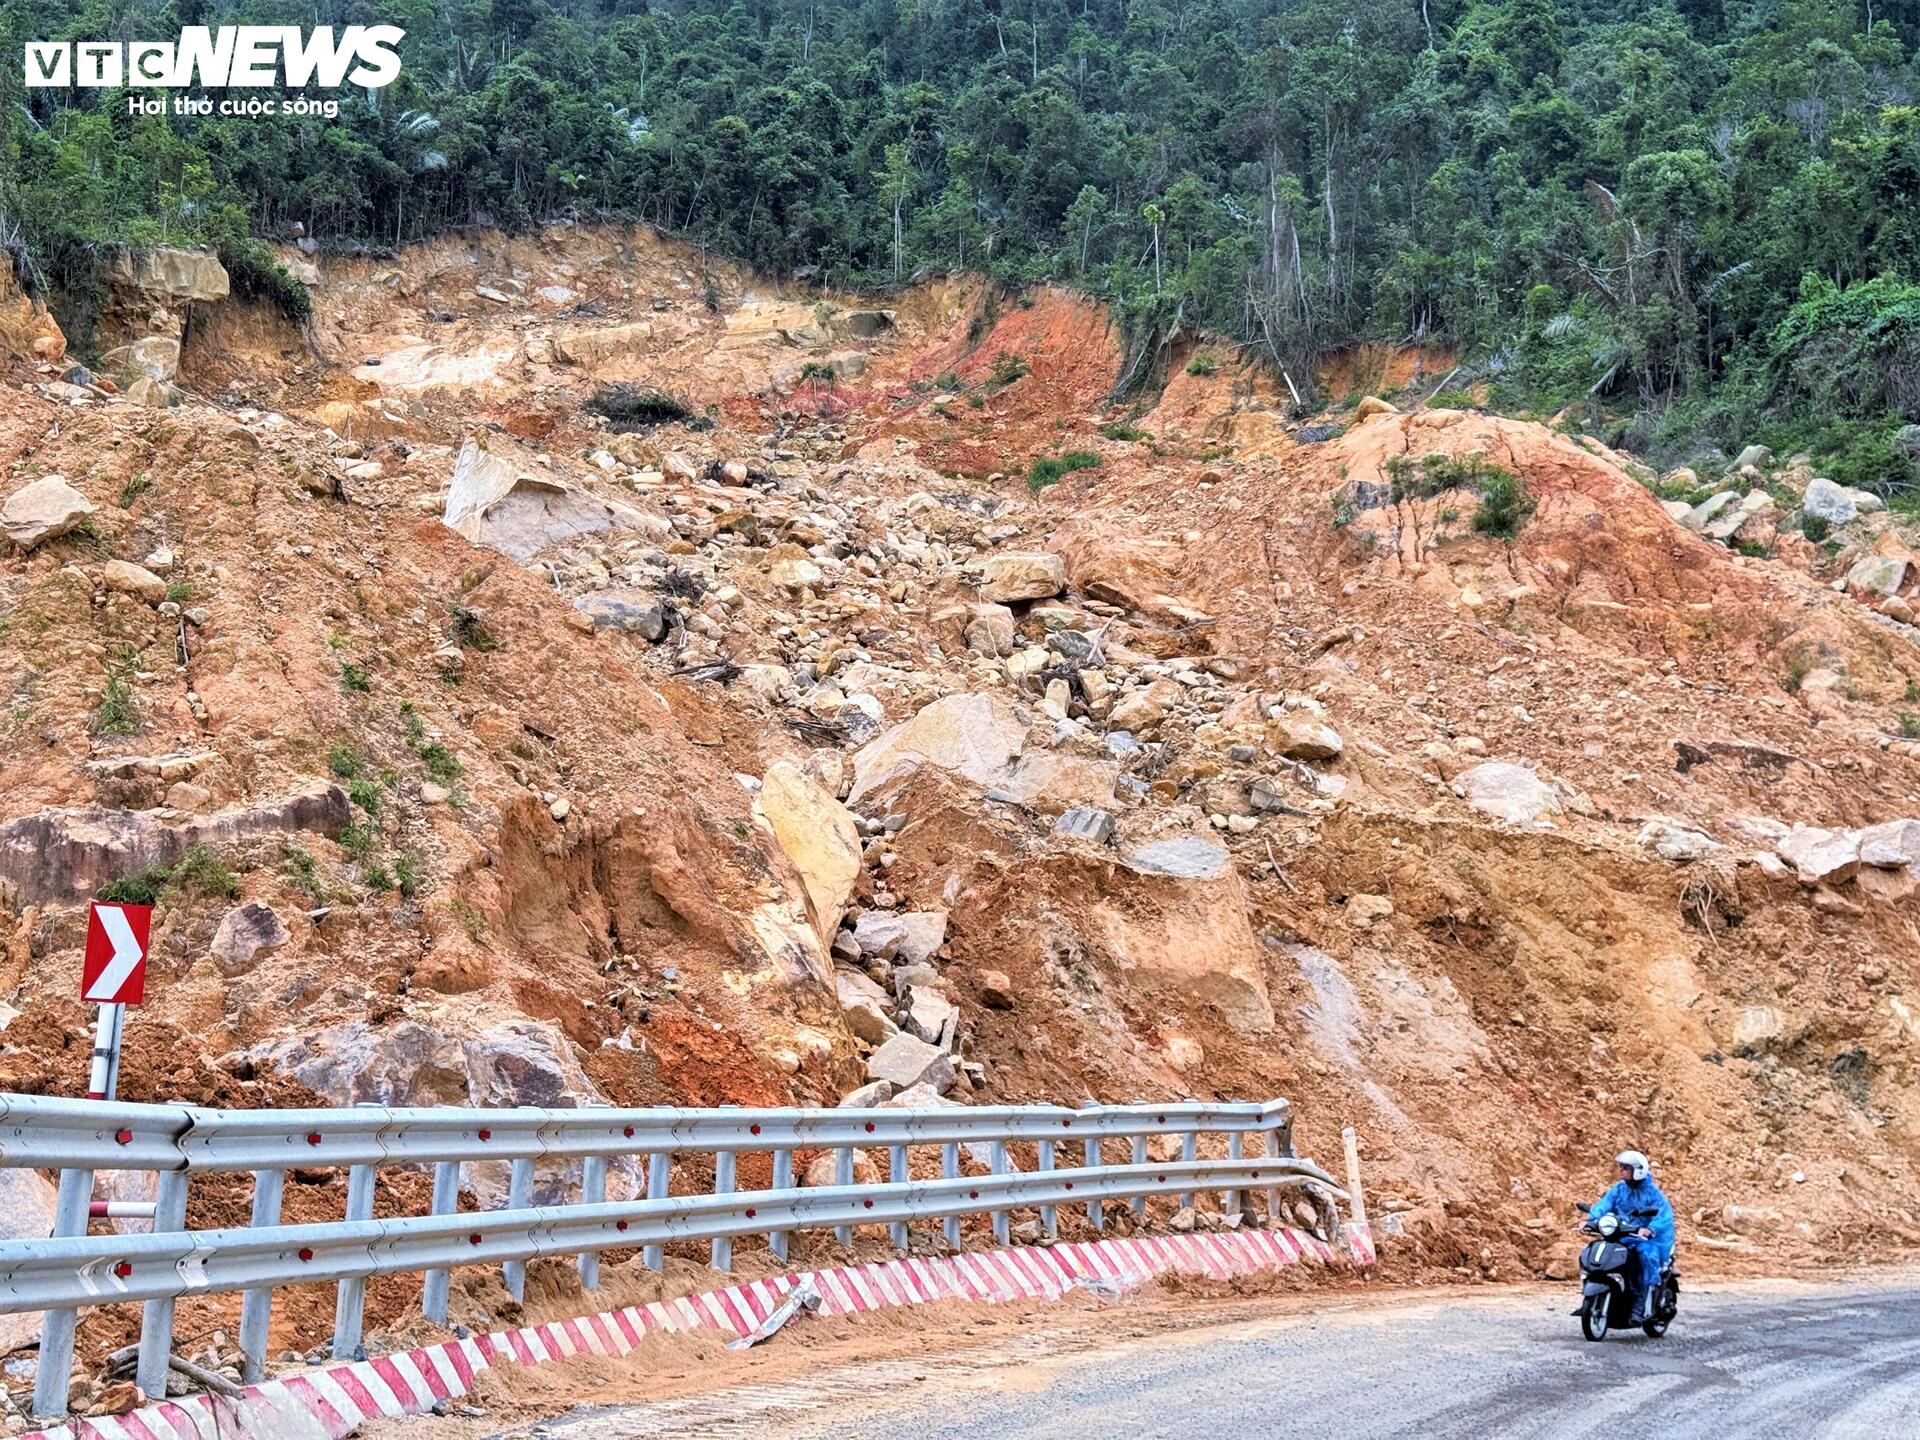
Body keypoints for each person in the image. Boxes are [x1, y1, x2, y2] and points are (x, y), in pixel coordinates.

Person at [1589, 1149, 1675, 1323]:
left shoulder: (1653, 1193)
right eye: (1620, 1166)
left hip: (1646, 1239)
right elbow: (1604, 1205)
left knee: (1645, 1257)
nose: (1620, 1170)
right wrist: (1590, 1220)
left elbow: (1663, 1216)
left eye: (1625, 1167)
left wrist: (1650, 1229)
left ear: (1638, 1171)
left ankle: (1639, 1304)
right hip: (1622, 1233)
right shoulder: (1619, 1188)